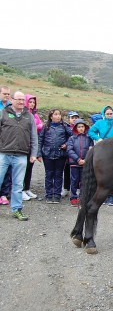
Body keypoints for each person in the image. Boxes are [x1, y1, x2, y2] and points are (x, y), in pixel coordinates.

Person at [0, 91, 38, 220]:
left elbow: (34, 136)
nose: (21, 102)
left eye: (23, 100)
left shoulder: (29, 116)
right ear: (12, 99)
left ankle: (17, 209)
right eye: (18, 99)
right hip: (3, 154)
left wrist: (33, 153)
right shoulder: (3, 113)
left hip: (21, 155)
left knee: (18, 185)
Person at [88, 106, 113, 205]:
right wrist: (98, 138)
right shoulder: (99, 123)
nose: (110, 115)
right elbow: (91, 131)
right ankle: (104, 195)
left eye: (111, 114)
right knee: (104, 173)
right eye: (108, 114)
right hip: (104, 151)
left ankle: (112, 196)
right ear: (104, 114)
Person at [37, 109, 72, 203]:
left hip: (61, 154)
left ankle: (57, 195)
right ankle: (48, 195)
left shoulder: (65, 126)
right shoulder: (46, 127)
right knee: (49, 174)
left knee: (58, 174)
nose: (58, 116)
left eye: (59, 114)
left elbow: (72, 136)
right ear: (51, 116)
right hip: (47, 154)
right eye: (55, 114)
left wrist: (66, 144)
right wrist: (39, 154)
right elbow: (40, 140)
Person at [66, 118, 93, 206]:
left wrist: (86, 160)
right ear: (75, 128)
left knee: (84, 181)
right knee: (74, 180)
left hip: (85, 163)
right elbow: (69, 150)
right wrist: (78, 159)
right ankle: (73, 197)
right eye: (79, 127)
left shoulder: (89, 138)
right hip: (74, 163)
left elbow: (91, 149)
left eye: (82, 127)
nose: (81, 128)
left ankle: (82, 197)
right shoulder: (72, 138)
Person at [21, 94, 43, 201]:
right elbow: (34, 126)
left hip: (32, 145)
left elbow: (40, 125)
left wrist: (36, 126)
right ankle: (20, 190)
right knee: (22, 169)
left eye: (33, 102)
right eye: (30, 102)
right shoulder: (23, 114)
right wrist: (36, 126)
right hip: (24, 144)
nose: (32, 104)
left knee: (29, 168)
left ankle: (26, 189)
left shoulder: (35, 114)